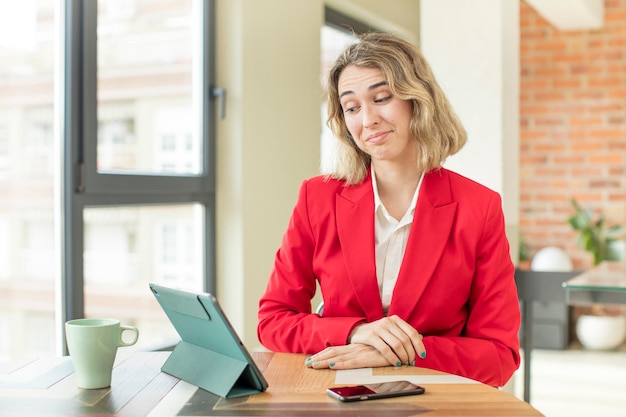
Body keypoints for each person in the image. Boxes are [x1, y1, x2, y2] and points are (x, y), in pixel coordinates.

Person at [257, 32, 520, 387]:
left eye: (381, 98)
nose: (367, 120)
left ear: (418, 100)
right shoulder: (316, 197)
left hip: (434, 396)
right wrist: (355, 333)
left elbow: (499, 355)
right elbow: (272, 320)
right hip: (336, 393)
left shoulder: (479, 207)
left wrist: (401, 351)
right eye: (351, 108)